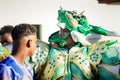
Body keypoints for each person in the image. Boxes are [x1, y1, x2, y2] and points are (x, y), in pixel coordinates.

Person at [33, 9, 120, 80]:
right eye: (60, 29)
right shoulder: (46, 50)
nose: (60, 33)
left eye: (64, 30)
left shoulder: (91, 52)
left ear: (75, 34)